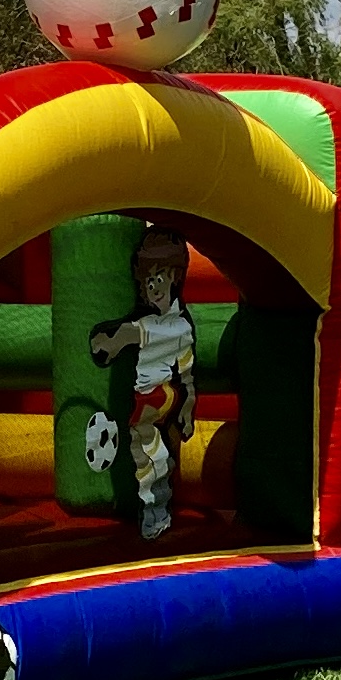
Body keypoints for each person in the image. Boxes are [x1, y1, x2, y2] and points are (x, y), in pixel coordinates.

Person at [89, 227, 198, 540]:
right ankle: (155, 499)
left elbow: (129, 336)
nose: (153, 286)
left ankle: (156, 506)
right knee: (144, 453)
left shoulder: (168, 325)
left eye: (159, 277)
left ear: (175, 278)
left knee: (149, 447)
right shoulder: (167, 324)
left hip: (158, 396)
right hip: (153, 395)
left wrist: (106, 343)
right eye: (148, 280)